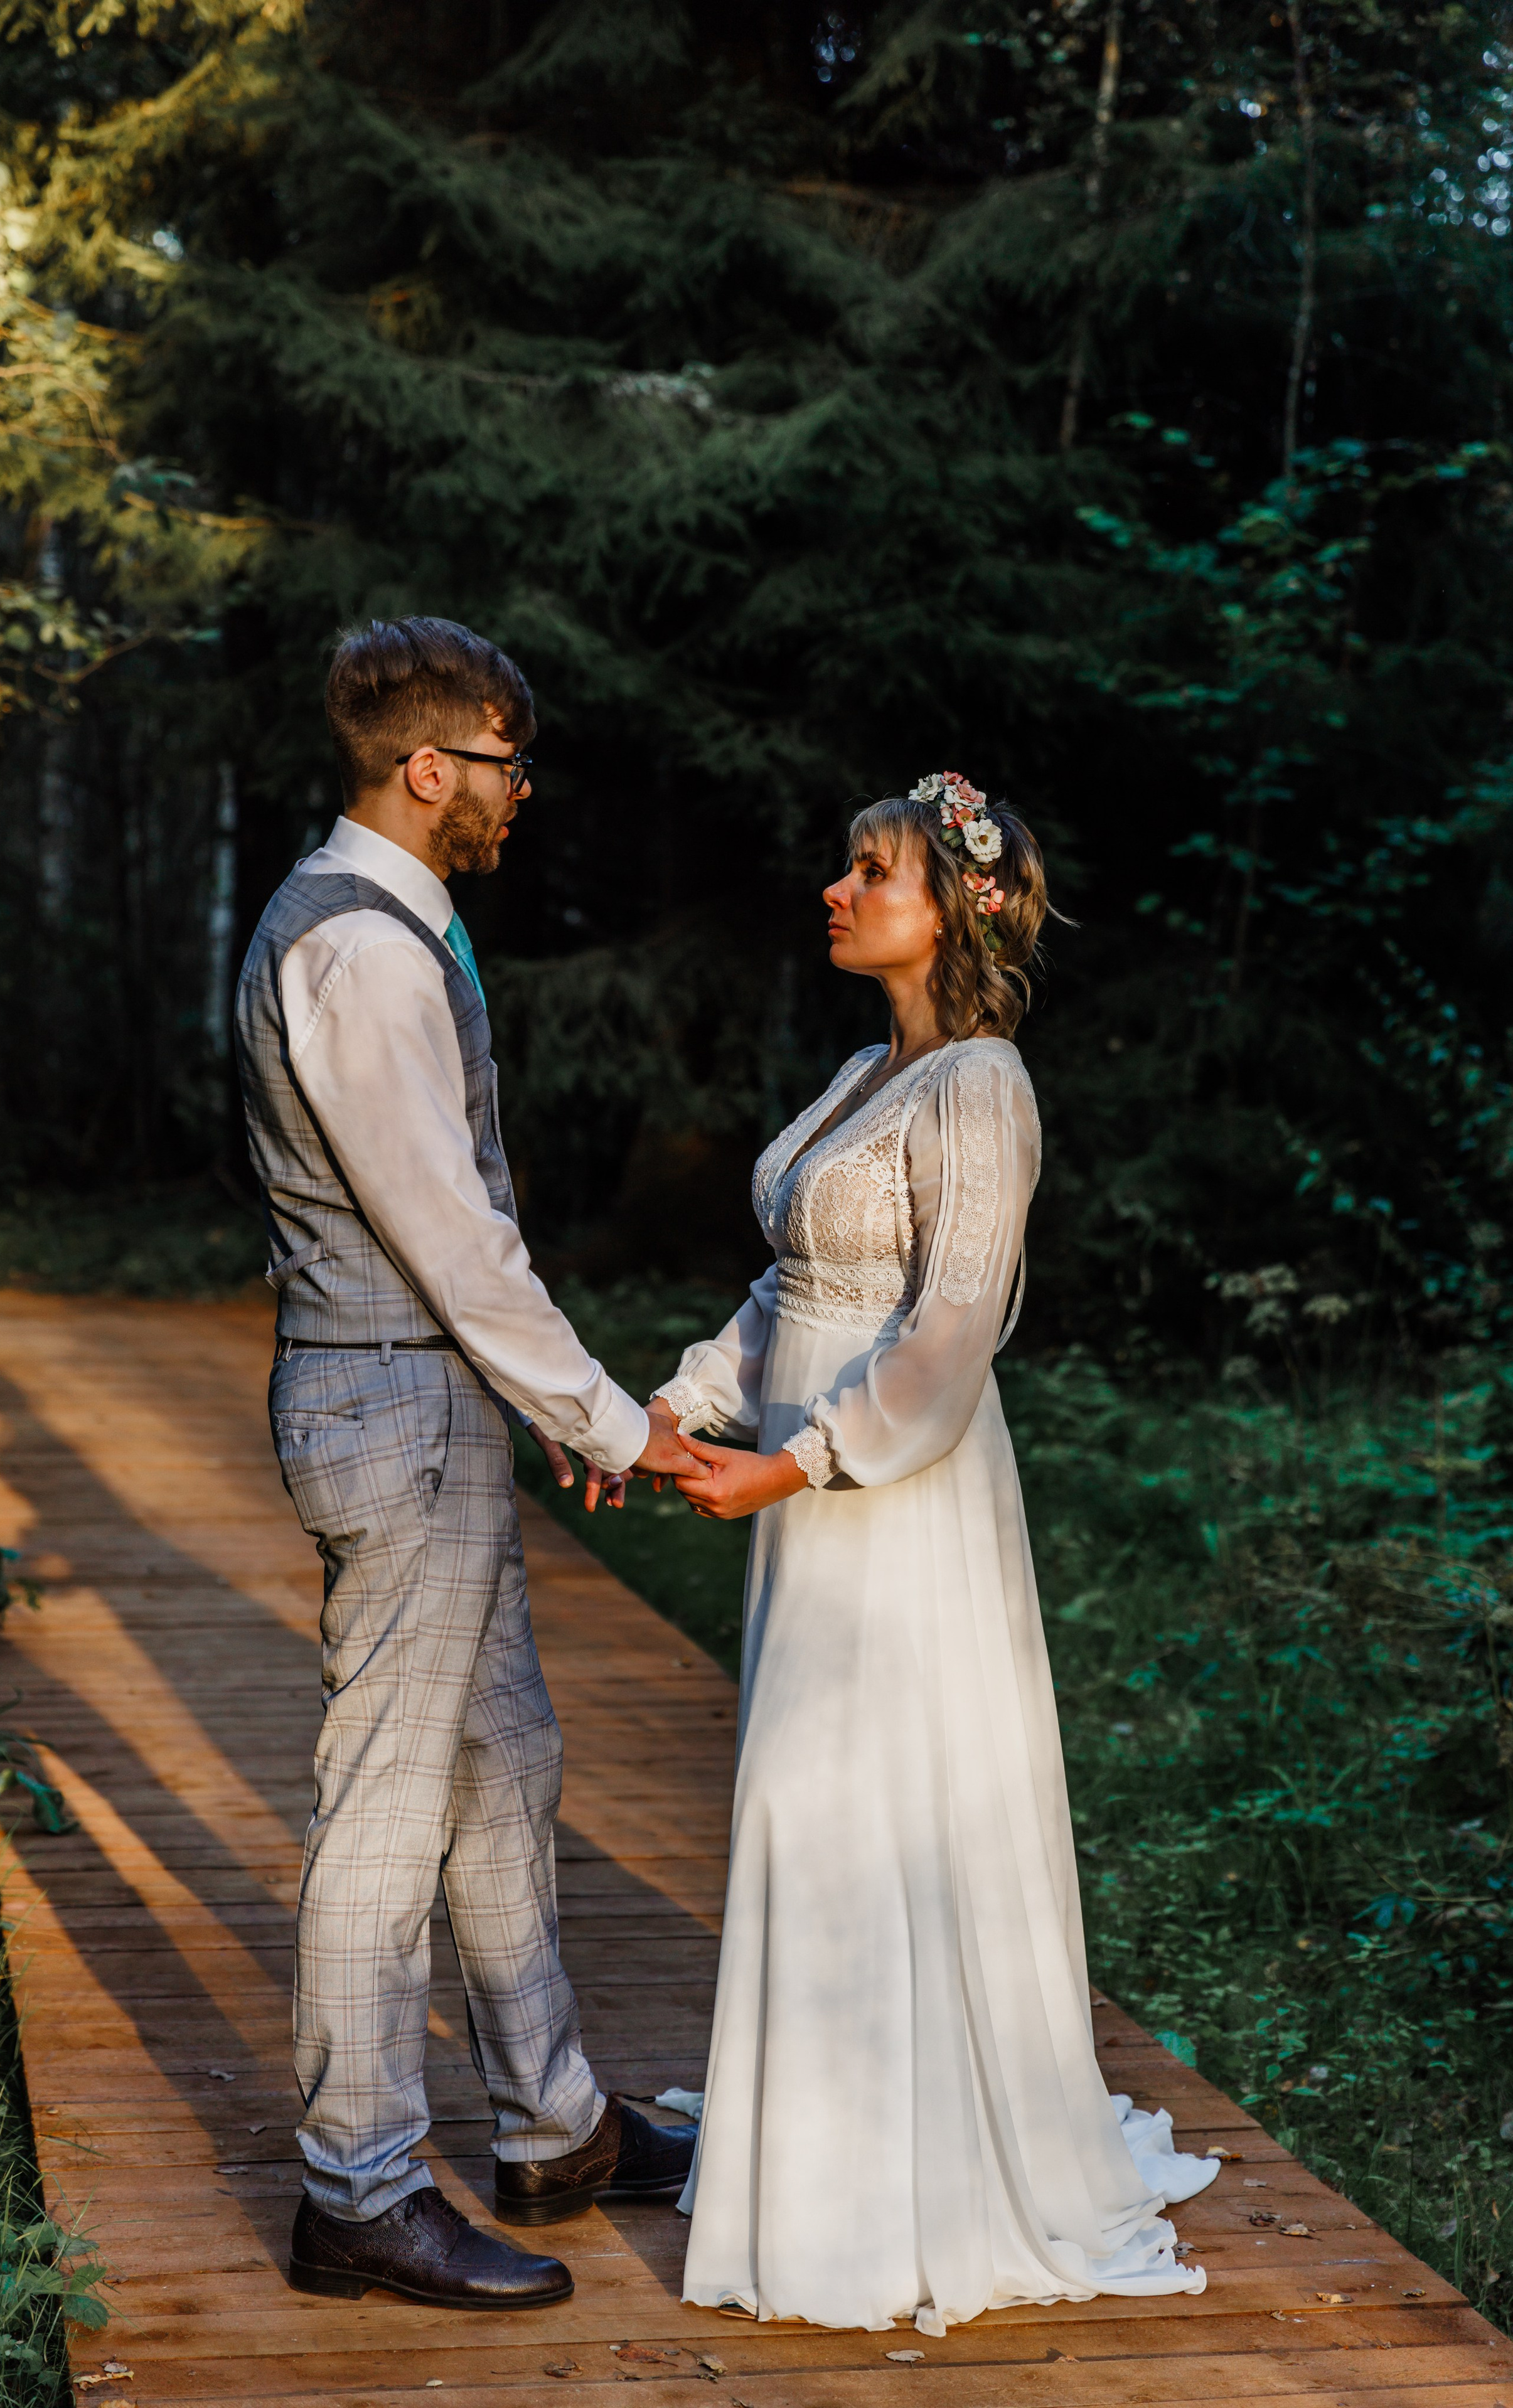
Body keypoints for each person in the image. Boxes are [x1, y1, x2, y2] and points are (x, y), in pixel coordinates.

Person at [644, 774, 1219, 2334]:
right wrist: (683, 1396)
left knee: (840, 1798)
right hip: (805, 1489)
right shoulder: (859, 1072)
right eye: (840, 867)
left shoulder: (979, 1087)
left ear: (951, 905)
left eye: (871, 870)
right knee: (798, 1795)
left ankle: (888, 2190)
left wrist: (800, 1458)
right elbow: (787, 1290)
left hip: (896, 1494)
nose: (835, 889)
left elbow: (948, 1332)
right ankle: (810, 2161)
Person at [233, 616, 695, 2313]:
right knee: (387, 1801)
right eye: (503, 763)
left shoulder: (395, 927)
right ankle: (356, 2183)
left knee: (505, 1755)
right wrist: (604, 1411)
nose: (522, 792)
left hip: (432, 1405)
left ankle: (556, 2120)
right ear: (428, 768)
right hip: (395, 1403)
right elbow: (449, 1235)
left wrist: (535, 1402)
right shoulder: (358, 952)